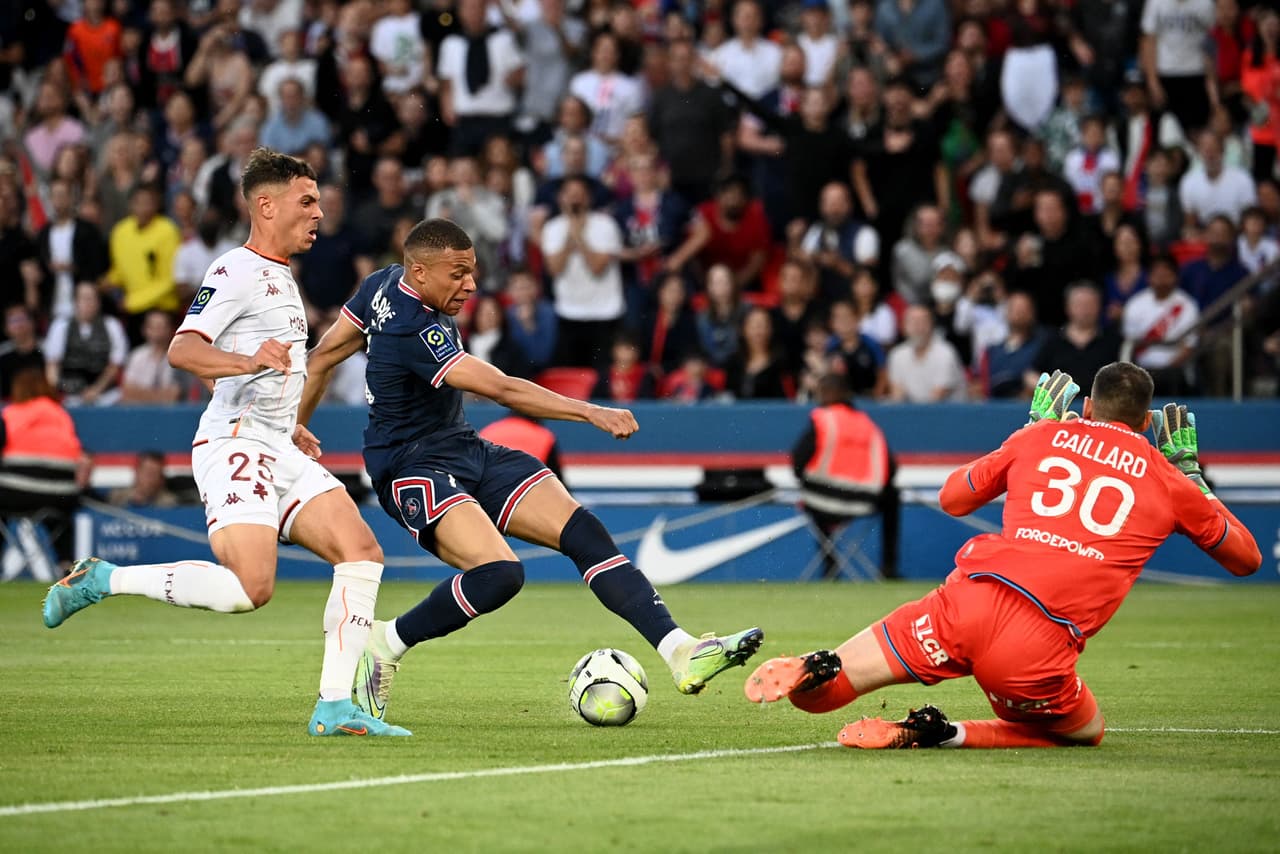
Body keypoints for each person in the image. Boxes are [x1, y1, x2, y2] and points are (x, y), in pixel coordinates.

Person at [298, 218, 763, 724]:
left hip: (463, 448)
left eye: (472, 272)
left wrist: (295, 426)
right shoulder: (415, 325)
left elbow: (322, 357)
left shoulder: (382, 283)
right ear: (420, 271)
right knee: (499, 574)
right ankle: (386, 642)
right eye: (457, 274)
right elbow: (500, 388)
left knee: (581, 531)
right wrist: (589, 410)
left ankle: (680, 650)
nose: (470, 285)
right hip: (411, 467)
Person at [40, 148, 406, 738]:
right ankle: (104, 578)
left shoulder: (282, 276)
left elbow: (251, 368)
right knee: (250, 590)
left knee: (361, 552)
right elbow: (183, 349)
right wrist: (245, 362)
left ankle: (334, 706)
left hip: (274, 443)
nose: (318, 212)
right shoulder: (234, 270)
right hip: (233, 442)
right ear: (266, 205)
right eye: (306, 201)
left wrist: (286, 420)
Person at [747, 364, 1261, 749]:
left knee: (830, 690)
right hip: (1037, 641)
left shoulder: (1041, 435)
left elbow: (953, 499)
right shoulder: (1168, 479)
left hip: (964, 601)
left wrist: (1030, 432)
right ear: (1147, 421)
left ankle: (816, 664)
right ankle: (944, 733)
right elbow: (1246, 560)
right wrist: (1191, 474)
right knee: (1085, 731)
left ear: (1086, 409)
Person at [791, 373, 898, 578]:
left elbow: (797, 462)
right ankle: (888, 567)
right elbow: (890, 469)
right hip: (864, 503)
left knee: (812, 494)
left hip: (820, 502)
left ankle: (829, 564)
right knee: (892, 496)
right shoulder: (867, 425)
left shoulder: (822, 419)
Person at [0, 366, 90, 569]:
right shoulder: (61, 416)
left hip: (15, 493)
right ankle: (66, 564)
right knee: (60, 519)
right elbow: (81, 457)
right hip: (61, 496)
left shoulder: (11, 413)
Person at [43, 282, 129, 407]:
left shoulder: (112, 325)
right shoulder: (61, 326)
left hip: (106, 395)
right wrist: (61, 390)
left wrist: (96, 390)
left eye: (92, 298)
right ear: (75, 301)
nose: (88, 303)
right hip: (68, 396)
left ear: (99, 302)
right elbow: (52, 367)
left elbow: (115, 366)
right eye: (83, 298)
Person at [886, 305, 966, 402]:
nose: (917, 326)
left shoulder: (946, 353)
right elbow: (897, 394)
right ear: (904, 326)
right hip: (912, 412)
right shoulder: (897, 355)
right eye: (912, 321)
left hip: (947, 413)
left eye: (923, 321)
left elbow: (938, 396)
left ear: (932, 325)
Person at [120, 309, 183, 404]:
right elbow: (127, 392)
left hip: (169, 414)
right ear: (145, 330)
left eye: (161, 326)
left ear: (170, 329)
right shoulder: (137, 356)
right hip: (138, 412)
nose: (157, 331)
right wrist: (160, 395)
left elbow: (174, 395)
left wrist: (140, 393)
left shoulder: (178, 357)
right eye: (153, 327)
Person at [107, 450, 179, 509]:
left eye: (155, 474)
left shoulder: (169, 503)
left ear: (161, 478)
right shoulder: (117, 497)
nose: (150, 479)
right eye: (147, 473)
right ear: (137, 472)